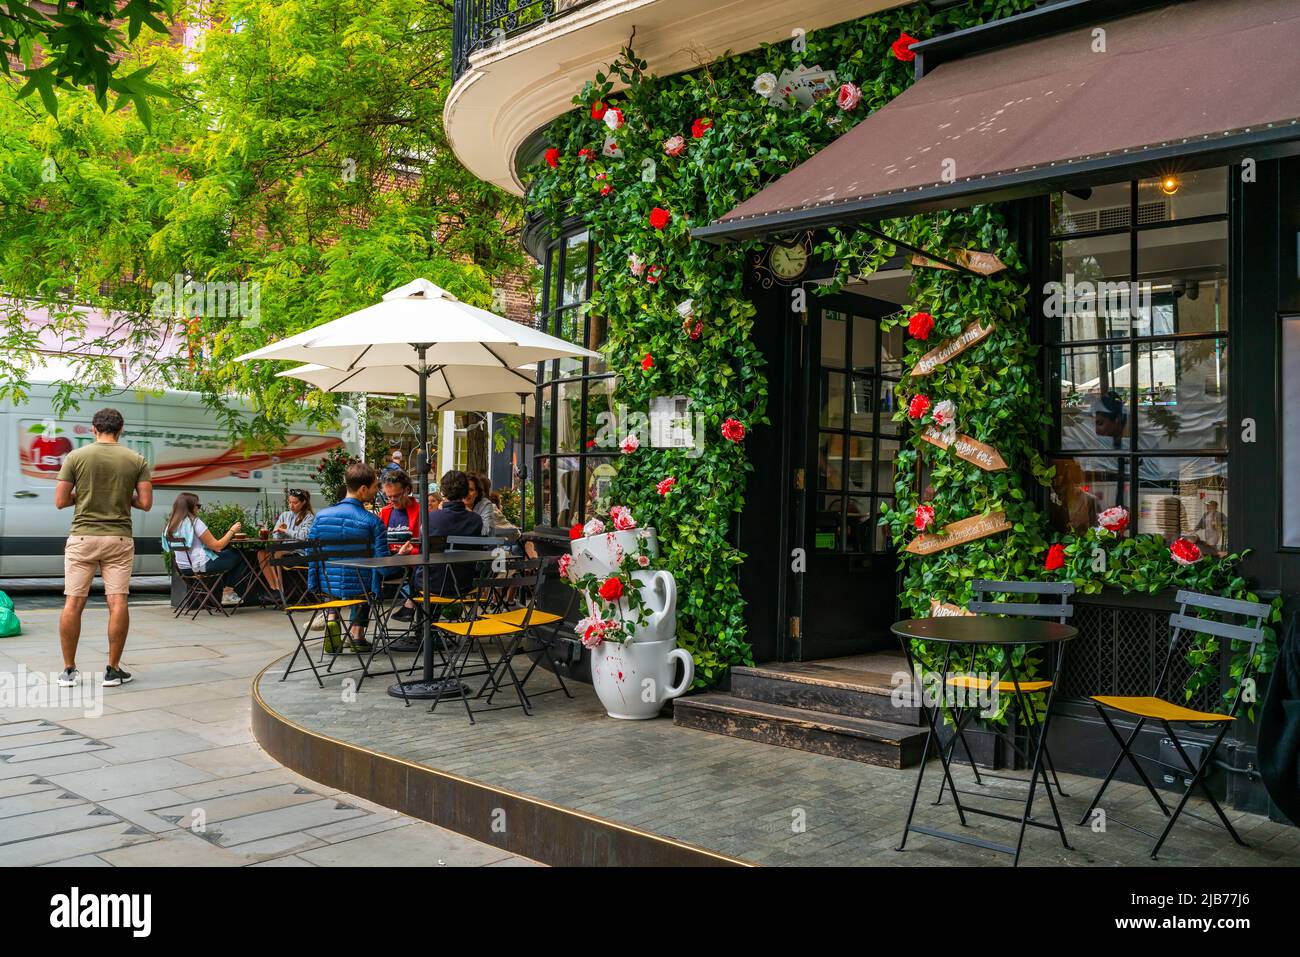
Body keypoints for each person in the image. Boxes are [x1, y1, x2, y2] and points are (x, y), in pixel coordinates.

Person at [54, 408, 153, 689]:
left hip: (83, 537)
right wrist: (123, 496)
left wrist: (84, 494)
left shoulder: (75, 457)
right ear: (121, 429)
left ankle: (69, 671)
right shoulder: (136, 459)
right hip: (119, 539)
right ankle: (113, 670)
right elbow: (145, 503)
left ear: (93, 429)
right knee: (118, 601)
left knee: (73, 602)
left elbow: (60, 501)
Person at [306, 462, 390, 653]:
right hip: (361, 588)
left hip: (328, 584)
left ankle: (332, 619)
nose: (377, 490)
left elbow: (312, 554)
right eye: (375, 486)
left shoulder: (321, 517)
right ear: (363, 489)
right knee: (366, 580)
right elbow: (383, 564)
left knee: (342, 577)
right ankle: (357, 635)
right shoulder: (373, 522)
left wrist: (314, 582)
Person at [162, 492, 249, 606]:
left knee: (227, 556)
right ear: (190, 507)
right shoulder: (195, 523)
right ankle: (228, 592)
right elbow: (217, 546)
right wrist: (232, 531)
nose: (199, 509)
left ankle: (227, 592)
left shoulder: (171, 525)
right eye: (198, 506)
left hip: (183, 568)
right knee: (240, 555)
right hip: (200, 567)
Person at [258, 488, 315, 592]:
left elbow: (304, 536)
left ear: (303, 502)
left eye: (295, 503)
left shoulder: (309, 517)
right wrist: (279, 533)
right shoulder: (285, 515)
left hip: (300, 552)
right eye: (289, 502)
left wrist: (286, 530)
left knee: (275, 554)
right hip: (285, 549)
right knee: (261, 554)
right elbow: (276, 538)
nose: (291, 505)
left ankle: (280, 591)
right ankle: (274, 588)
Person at [466, 472, 519, 540]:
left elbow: (515, 533)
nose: (466, 493)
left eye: (471, 489)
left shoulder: (489, 507)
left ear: (478, 492)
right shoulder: (455, 506)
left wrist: (493, 528)